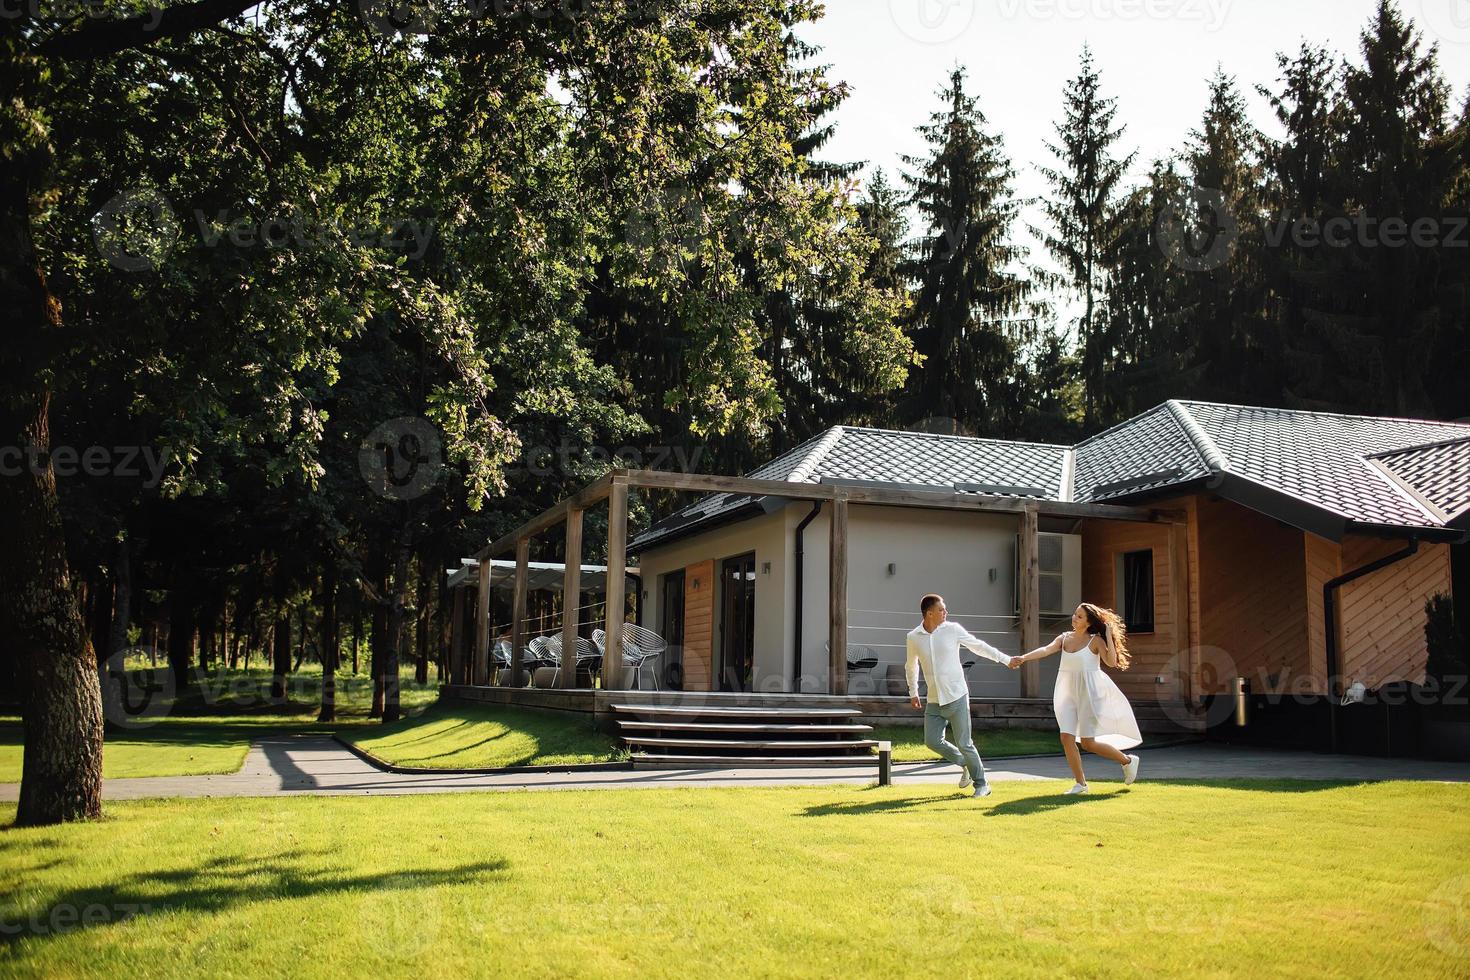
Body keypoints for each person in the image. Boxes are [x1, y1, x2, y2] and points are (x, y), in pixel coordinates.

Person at [1010, 602, 1142, 794]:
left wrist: (1107, 636)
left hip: (1090, 694)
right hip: (1066, 692)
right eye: (1075, 614)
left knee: (1088, 743)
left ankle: (1127, 761)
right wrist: (1023, 658)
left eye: (1079, 616)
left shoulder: (1095, 641)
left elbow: (1111, 662)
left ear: (1088, 623)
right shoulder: (1064, 638)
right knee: (1066, 737)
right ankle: (1081, 784)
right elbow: (1046, 650)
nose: (1074, 618)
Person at [906, 593, 1015, 798]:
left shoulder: (953, 629)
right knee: (932, 741)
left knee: (965, 743)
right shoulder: (913, 637)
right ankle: (965, 763)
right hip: (934, 699)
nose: (945, 612)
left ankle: (982, 784)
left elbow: (978, 646)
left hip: (957, 696)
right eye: (941, 609)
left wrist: (1006, 659)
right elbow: (911, 666)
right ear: (929, 613)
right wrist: (913, 691)